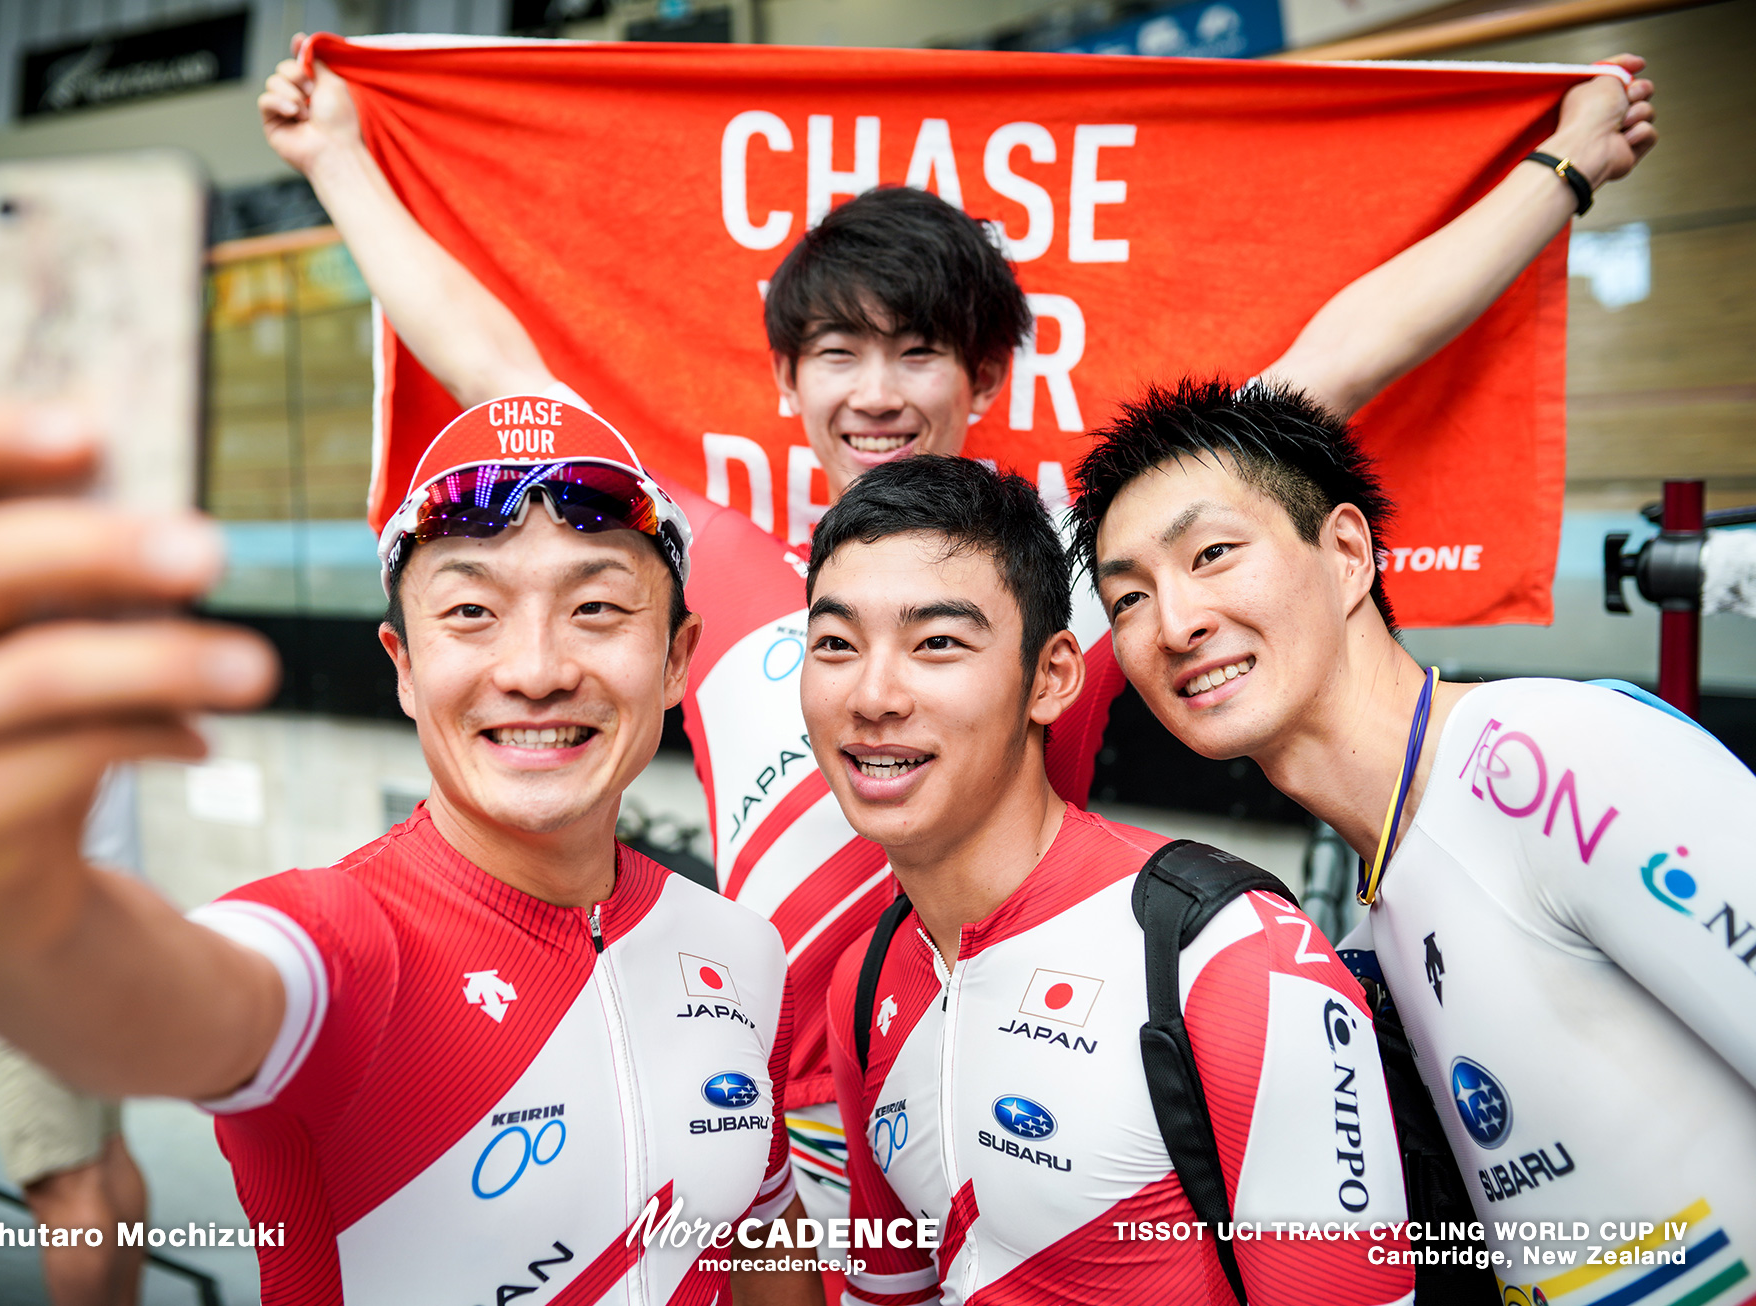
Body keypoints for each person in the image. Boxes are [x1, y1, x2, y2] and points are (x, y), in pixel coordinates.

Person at [256, 40, 1657, 1218]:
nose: (877, 391)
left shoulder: (1064, 573)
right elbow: (493, 355)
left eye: (918, 350)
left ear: (984, 374)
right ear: (789, 381)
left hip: (1035, 1100)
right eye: (839, 354)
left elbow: (1333, 364)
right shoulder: (718, 563)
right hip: (763, 1116)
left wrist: (1565, 168)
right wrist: (335, 161)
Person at [0, 397, 819, 1305]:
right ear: (404, 665)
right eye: (470, 611)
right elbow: (173, 995)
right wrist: (22, 907)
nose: (537, 667)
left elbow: (765, 1233)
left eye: (596, 606)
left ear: (679, 657)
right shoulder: (335, 941)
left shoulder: (738, 946)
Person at [1069, 379, 1756, 1301]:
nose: (1176, 623)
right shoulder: (1377, 907)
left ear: (1348, 552)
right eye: (1128, 600)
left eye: (1215, 553)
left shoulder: (1553, 763)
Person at [805, 455, 1411, 1305]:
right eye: (835, 643)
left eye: (937, 642)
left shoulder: (1229, 955)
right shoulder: (864, 985)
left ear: (1050, 677)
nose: (873, 695)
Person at [0, 767, 147, 1306]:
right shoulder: (95, 686)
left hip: (27, 968)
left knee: (66, 1189)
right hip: (101, 942)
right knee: (104, 1153)